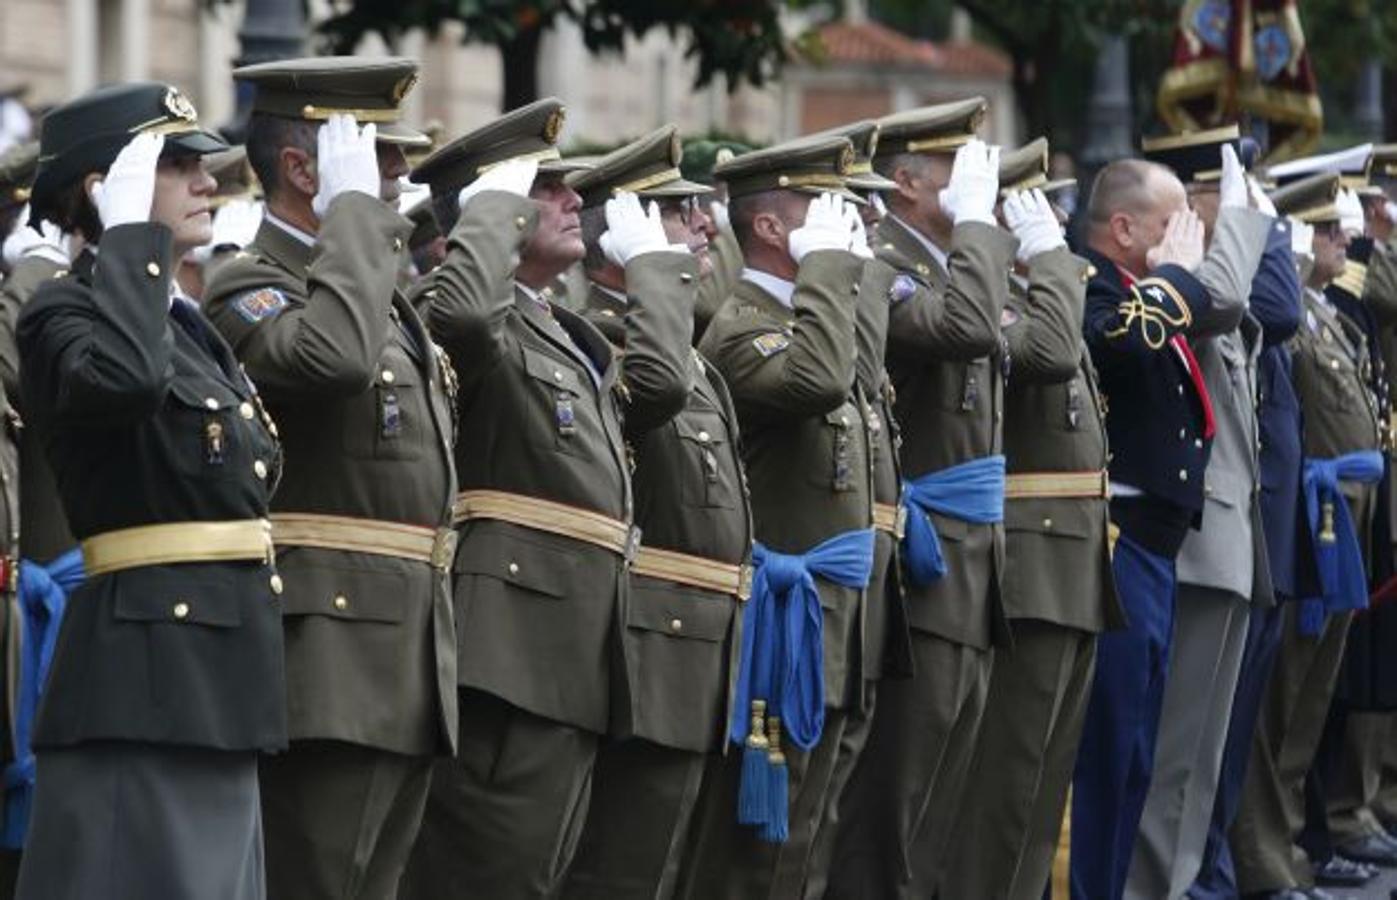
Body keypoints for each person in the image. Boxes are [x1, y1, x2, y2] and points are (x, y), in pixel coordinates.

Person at [399, 98, 689, 899]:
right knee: (485, 873)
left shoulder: (562, 330)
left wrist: (654, 269)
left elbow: (659, 389)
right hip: (510, 659)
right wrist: (490, 207)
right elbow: (461, 309)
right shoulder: (454, 313)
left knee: (538, 875)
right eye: (545, 186)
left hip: (573, 648)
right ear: (492, 213)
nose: (574, 204)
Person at [12, 81, 285, 900]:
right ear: (109, 188)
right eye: (176, 164)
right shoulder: (61, 312)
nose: (209, 181)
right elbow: (125, 384)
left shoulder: (181, 321)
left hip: (215, 669)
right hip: (144, 677)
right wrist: (131, 238)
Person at [199, 57, 459, 900]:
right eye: (371, 156)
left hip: (407, 654)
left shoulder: (372, 288)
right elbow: (334, 360)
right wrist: (351, 215)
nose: (396, 177)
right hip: (332, 665)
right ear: (304, 170)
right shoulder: (252, 285)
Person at [824, 97, 1020, 900]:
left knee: (944, 789)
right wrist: (979, 225)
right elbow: (969, 327)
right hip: (922, 563)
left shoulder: (944, 262)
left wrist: (978, 230)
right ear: (905, 182)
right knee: (894, 797)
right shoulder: (883, 264)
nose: (976, 184)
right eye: (954, 170)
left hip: (971, 559)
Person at [675, 135, 875, 900]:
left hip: (827, 619)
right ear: (768, 228)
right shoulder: (743, 327)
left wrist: (840, 279)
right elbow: (820, 381)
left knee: (808, 847)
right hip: (777, 631)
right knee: (755, 860)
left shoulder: (815, 314)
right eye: (823, 206)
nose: (846, 218)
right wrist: (830, 272)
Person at [559, 124, 752, 900]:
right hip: (652, 640)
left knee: (664, 867)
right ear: (626, 240)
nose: (703, 223)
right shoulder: (608, 337)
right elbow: (655, 391)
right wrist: (652, 275)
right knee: (620, 868)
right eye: (675, 214)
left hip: (696, 640)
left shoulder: (671, 339)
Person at [937, 137, 1119, 900]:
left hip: (1069, 562)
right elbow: (1047, 350)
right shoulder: (976, 301)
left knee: (1041, 788)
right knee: (1004, 790)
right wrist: (1046, 257)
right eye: (1027, 204)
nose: (1047, 218)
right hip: (1028, 568)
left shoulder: (1031, 292)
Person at [1123, 129, 1276, 900]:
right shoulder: (1177, 284)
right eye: (1221, 190)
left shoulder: (1188, 279)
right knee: (1169, 759)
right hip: (1194, 546)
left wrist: (1238, 207)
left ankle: (1176, 887)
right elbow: (1233, 299)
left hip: (1229, 543)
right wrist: (1236, 221)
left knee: (1197, 761)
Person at [1230, 171, 1383, 899]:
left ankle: (1286, 844)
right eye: (1324, 230)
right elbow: (1272, 327)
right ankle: (1263, 854)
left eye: (1338, 229)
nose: (1341, 240)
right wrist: (1279, 255)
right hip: (1310, 521)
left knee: (1310, 699)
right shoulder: (1295, 311)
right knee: (1281, 699)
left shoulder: (1329, 315)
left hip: (1343, 520)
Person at [1073, 157, 1214, 900]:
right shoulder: (1088, 284)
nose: (1185, 241)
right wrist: (1176, 278)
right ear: (1122, 228)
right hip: (1114, 542)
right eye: (1171, 225)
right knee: (1102, 751)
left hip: (1152, 548)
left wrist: (1175, 278)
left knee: (1133, 752)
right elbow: (1123, 345)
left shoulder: (1144, 290)